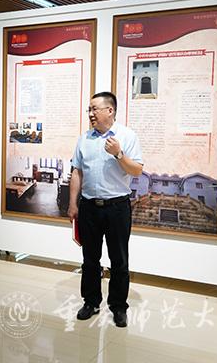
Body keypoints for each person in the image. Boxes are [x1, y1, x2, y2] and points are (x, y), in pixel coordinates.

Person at [67, 91, 143, 328]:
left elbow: (137, 170)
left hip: (117, 207)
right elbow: (77, 172)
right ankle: (91, 302)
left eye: (94, 109)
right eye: (89, 109)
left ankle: (118, 306)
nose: (90, 114)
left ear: (110, 111)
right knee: (90, 259)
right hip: (89, 207)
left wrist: (118, 153)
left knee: (119, 259)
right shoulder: (84, 139)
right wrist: (72, 203)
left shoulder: (127, 136)